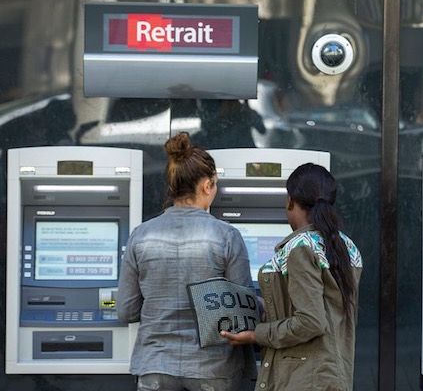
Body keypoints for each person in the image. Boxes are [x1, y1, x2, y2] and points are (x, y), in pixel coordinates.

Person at [117, 132, 254, 391]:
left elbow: (126, 310)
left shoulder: (141, 235)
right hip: (213, 369)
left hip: (155, 366)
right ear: (206, 185)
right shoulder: (226, 236)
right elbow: (240, 314)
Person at [221, 163, 363, 391]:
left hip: (302, 379)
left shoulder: (301, 247)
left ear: (290, 201)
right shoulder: (346, 246)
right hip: (332, 374)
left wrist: (256, 335)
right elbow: (326, 310)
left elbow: (311, 322)